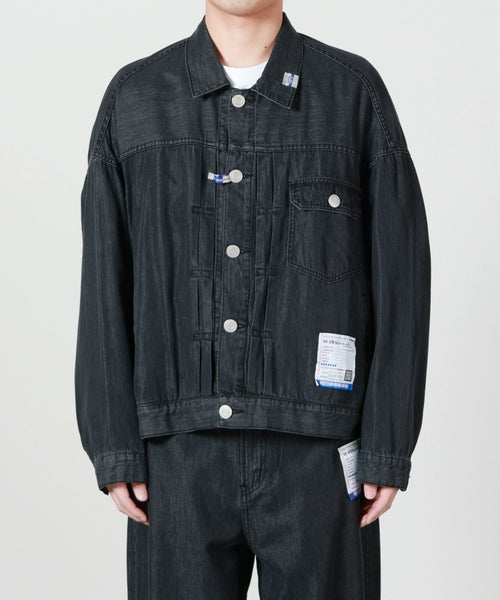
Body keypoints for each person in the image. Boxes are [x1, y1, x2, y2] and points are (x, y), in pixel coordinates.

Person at [74, 1, 431, 598]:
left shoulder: (351, 93)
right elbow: (104, 283)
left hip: (318, 452)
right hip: (175, 456)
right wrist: (113, 445)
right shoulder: (137, 99)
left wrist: (389, 442)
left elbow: (402, 277)